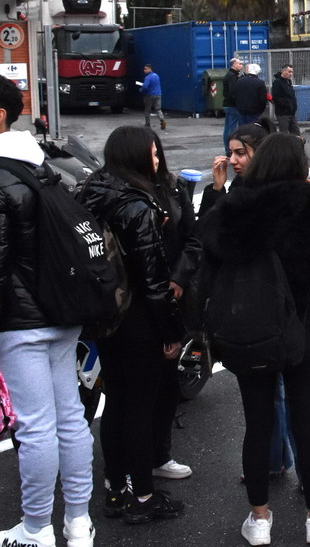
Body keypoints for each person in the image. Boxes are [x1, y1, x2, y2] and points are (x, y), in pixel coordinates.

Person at [198, 134, 310, 545]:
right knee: (305, 422)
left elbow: (207, 250)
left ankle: (260, 519)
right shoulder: (305, 204)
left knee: (257, 423)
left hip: (249, 330)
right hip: (301, 329)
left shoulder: (236, 207)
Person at [0, 76, 95, 547]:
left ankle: (36, 529)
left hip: (19, 321)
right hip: (64, 308)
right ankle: (79, 523)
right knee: (69, 419)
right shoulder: (42, 167)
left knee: (34, 427)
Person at [76, 126, 186, 525]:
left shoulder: (90, 192)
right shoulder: (138, 206)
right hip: (138, 317)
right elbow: (153, 281)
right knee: (140, 407)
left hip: (104, 315)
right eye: (153, 154)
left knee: (116, 404)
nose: (158, 161)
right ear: (137, 157)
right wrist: (171, 333)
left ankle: (115, 491)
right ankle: (143, 495)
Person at [149, 132, 201, 484]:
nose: (154, 161)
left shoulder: (173, 187)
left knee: (168, 382)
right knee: (135, 389)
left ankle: (160, 454)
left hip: (173, 297)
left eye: (156, 153)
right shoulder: (118, 195)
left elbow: (193, 238)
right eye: (147, 155)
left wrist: (180, 279)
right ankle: (124, 468)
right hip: (137, 304)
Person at [199, 123, 267, 217]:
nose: (232, 160)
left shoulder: (271, 191)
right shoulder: (240, 182)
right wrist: (217, 188)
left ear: (260, 153)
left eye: (240, 153)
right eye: (231, 153)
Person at [232, 64, 268, 128]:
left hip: (241, 110)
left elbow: (234, 95)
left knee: (242, 128)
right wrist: (261, 109)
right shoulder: (260, 83)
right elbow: (263, 99)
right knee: (252, 129)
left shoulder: (239, 81)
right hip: (255, 111)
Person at [272, 64, 302, 137]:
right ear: (283, 71)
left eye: (292, 72)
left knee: (296, 133)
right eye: (289, 72)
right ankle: (284, 147)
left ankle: (296, 147)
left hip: (291, 113)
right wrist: (287, 105)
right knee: (284, 134)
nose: (291, 74)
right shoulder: (277, 82)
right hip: (283, 113)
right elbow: (276, 98)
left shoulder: (288, 82)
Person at [222, 57, 244, 156]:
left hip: (227, 104)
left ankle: (228, 149)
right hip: (232, 105)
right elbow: (232, 91)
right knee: (231, 128)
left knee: (228, 128)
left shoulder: (230, 75)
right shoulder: (232, 76)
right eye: (239, 64)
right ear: (234, 65)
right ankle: (230, 149)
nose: (241, 65)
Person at [141, 64, 165, 130]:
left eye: (145, 69)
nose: (144, 70)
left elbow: (145, 86)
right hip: (158, 94)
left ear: (149, 69)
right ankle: (162, 121)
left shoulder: (148, 77)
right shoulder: (156, 75)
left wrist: (141, 90)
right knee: (158, 109)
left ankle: (147, 124)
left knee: (147, 110)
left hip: (150, 95)